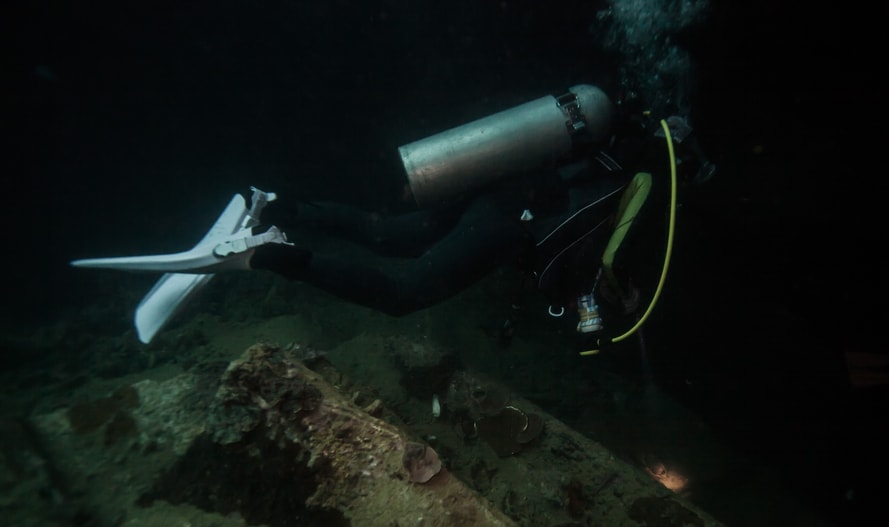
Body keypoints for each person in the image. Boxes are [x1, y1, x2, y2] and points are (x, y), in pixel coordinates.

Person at [72, 85, 712, 347]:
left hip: (502, 187)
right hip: (516, 216)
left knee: (386, 235)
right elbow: (605, 255)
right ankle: (262, 254)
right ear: (680, 155)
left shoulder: (606, 144)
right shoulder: (646, 179)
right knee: (403, 293)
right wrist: (607, 304)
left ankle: (275, 205)